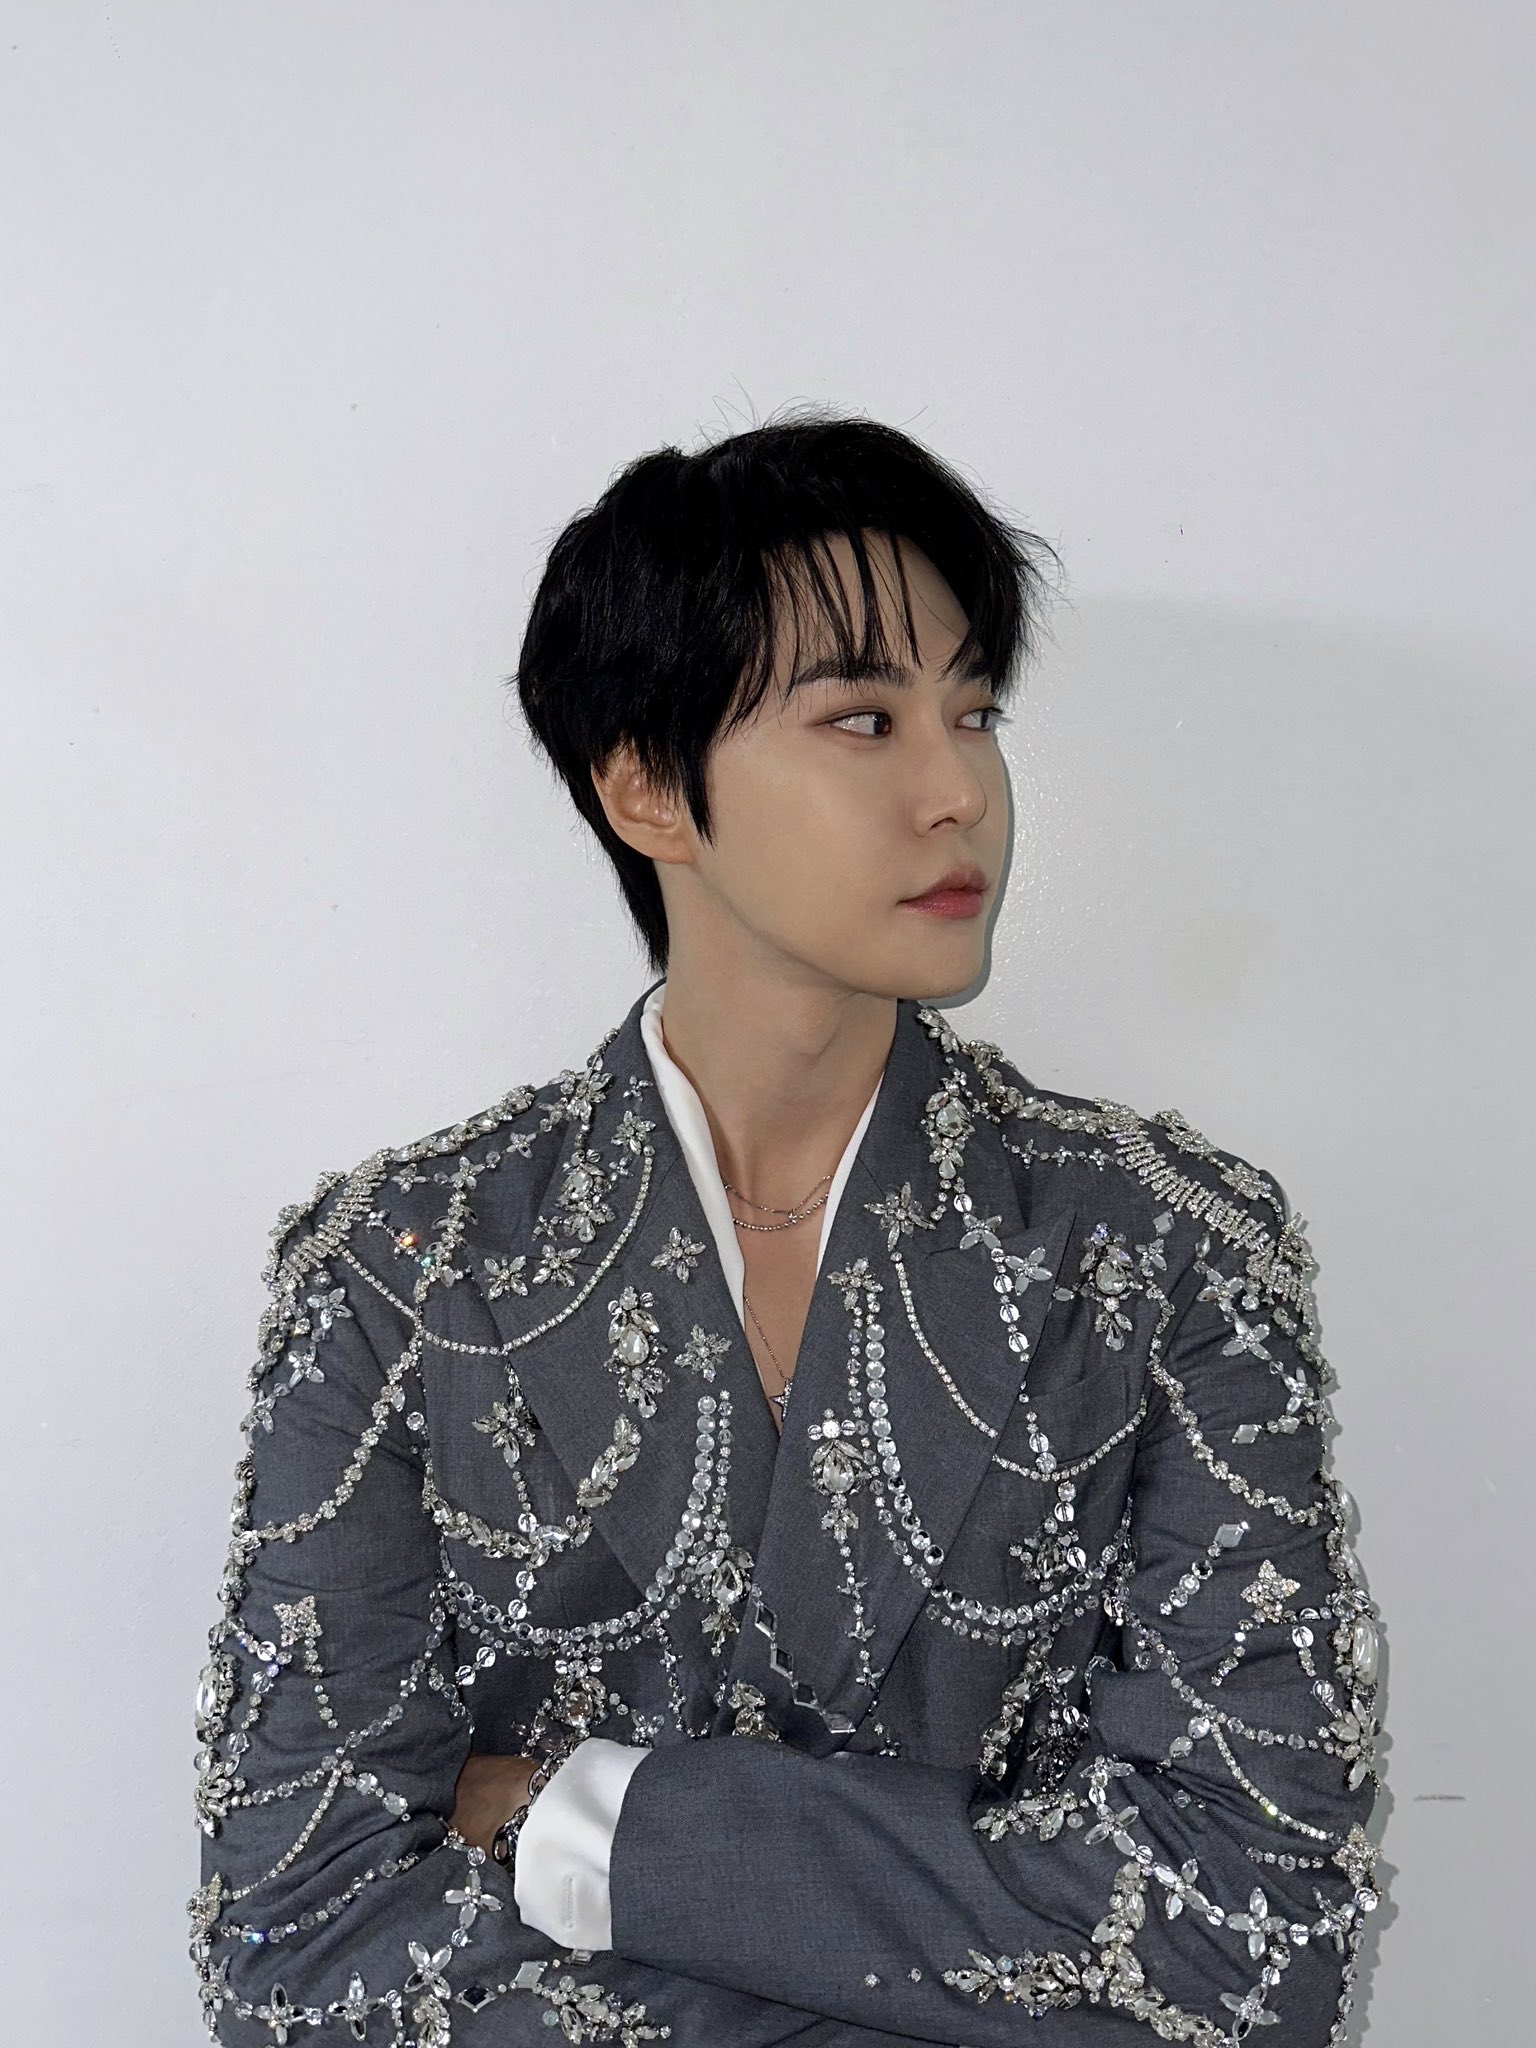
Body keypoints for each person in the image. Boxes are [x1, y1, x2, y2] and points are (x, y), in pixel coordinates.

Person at [189, 409, 1383, 2047]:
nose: (959, 790)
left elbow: (1254, 1938)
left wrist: (585, 1821)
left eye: (975, 711)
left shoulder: (1167, 1250)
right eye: (864, 720)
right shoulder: (405, 1270)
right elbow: (303, 1950)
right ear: (645, 784)